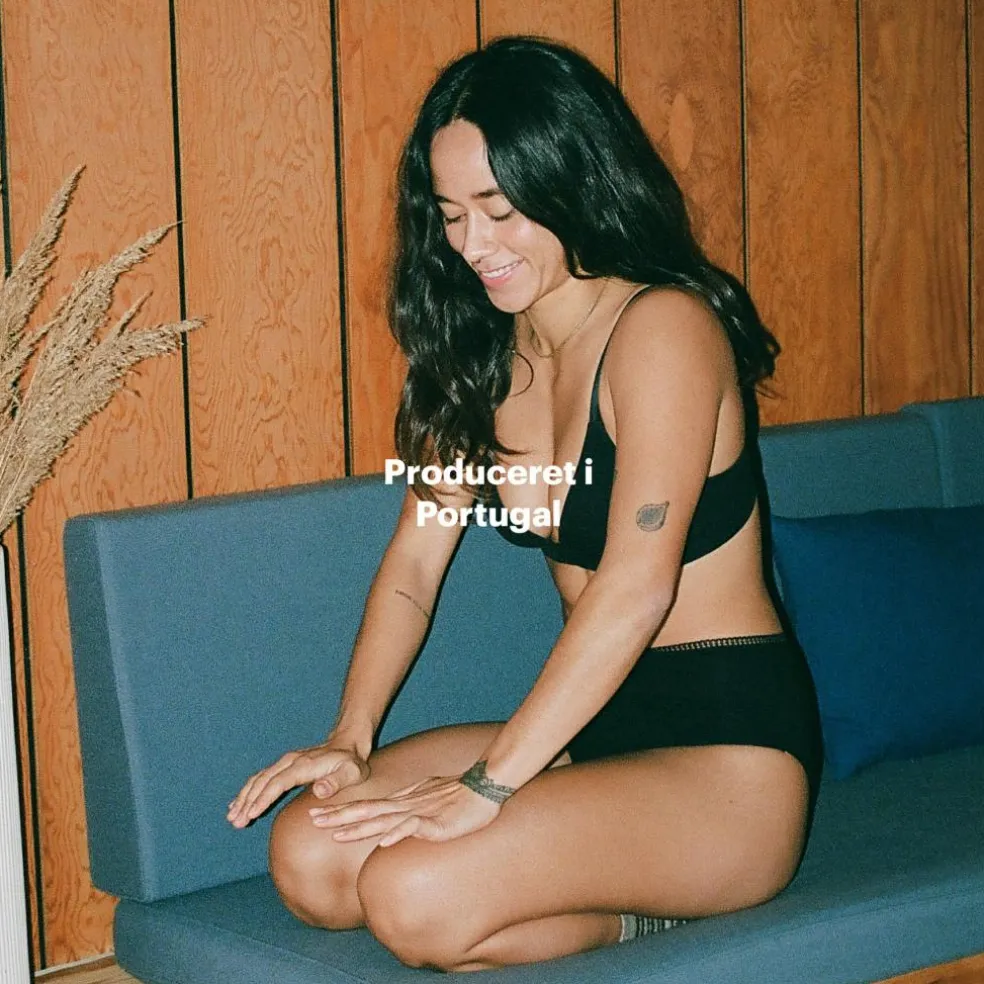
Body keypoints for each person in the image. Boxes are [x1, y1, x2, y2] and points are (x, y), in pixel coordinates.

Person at [226, 36, 823, 973]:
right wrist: (351, 737)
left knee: (411, 892)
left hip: (730, 756)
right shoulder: (484, 358)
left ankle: (641, 914)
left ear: (569, 183)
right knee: (309, 854)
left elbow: (635, 587)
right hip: (591, 732)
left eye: (500, 211)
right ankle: (580, 894)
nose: (472, 246)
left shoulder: (663, 330)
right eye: (451, 215)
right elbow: (415, 564)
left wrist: (490, 784)